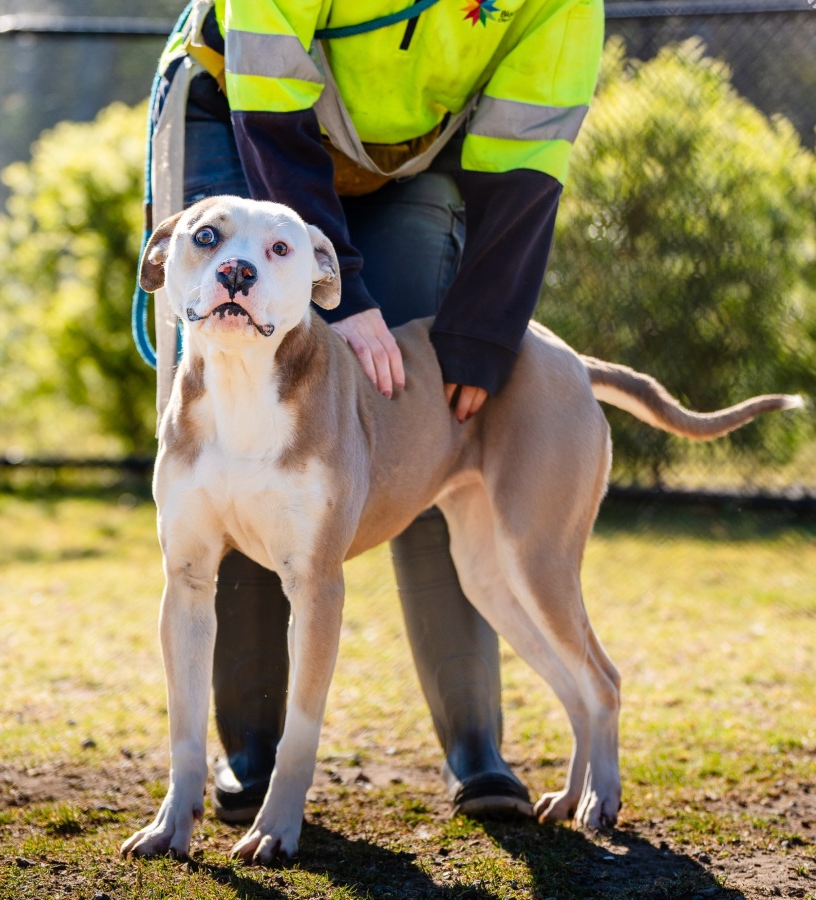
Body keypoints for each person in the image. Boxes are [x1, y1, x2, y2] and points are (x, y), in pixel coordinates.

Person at [147, 0, 604, 823]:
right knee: (235, 416)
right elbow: (270, 86)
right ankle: (252, 753)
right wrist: (344, 292)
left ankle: (474, 745)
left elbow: (527, 154)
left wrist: (485, 327)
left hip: (405, 152)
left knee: (417, 416)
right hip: (248, 105)